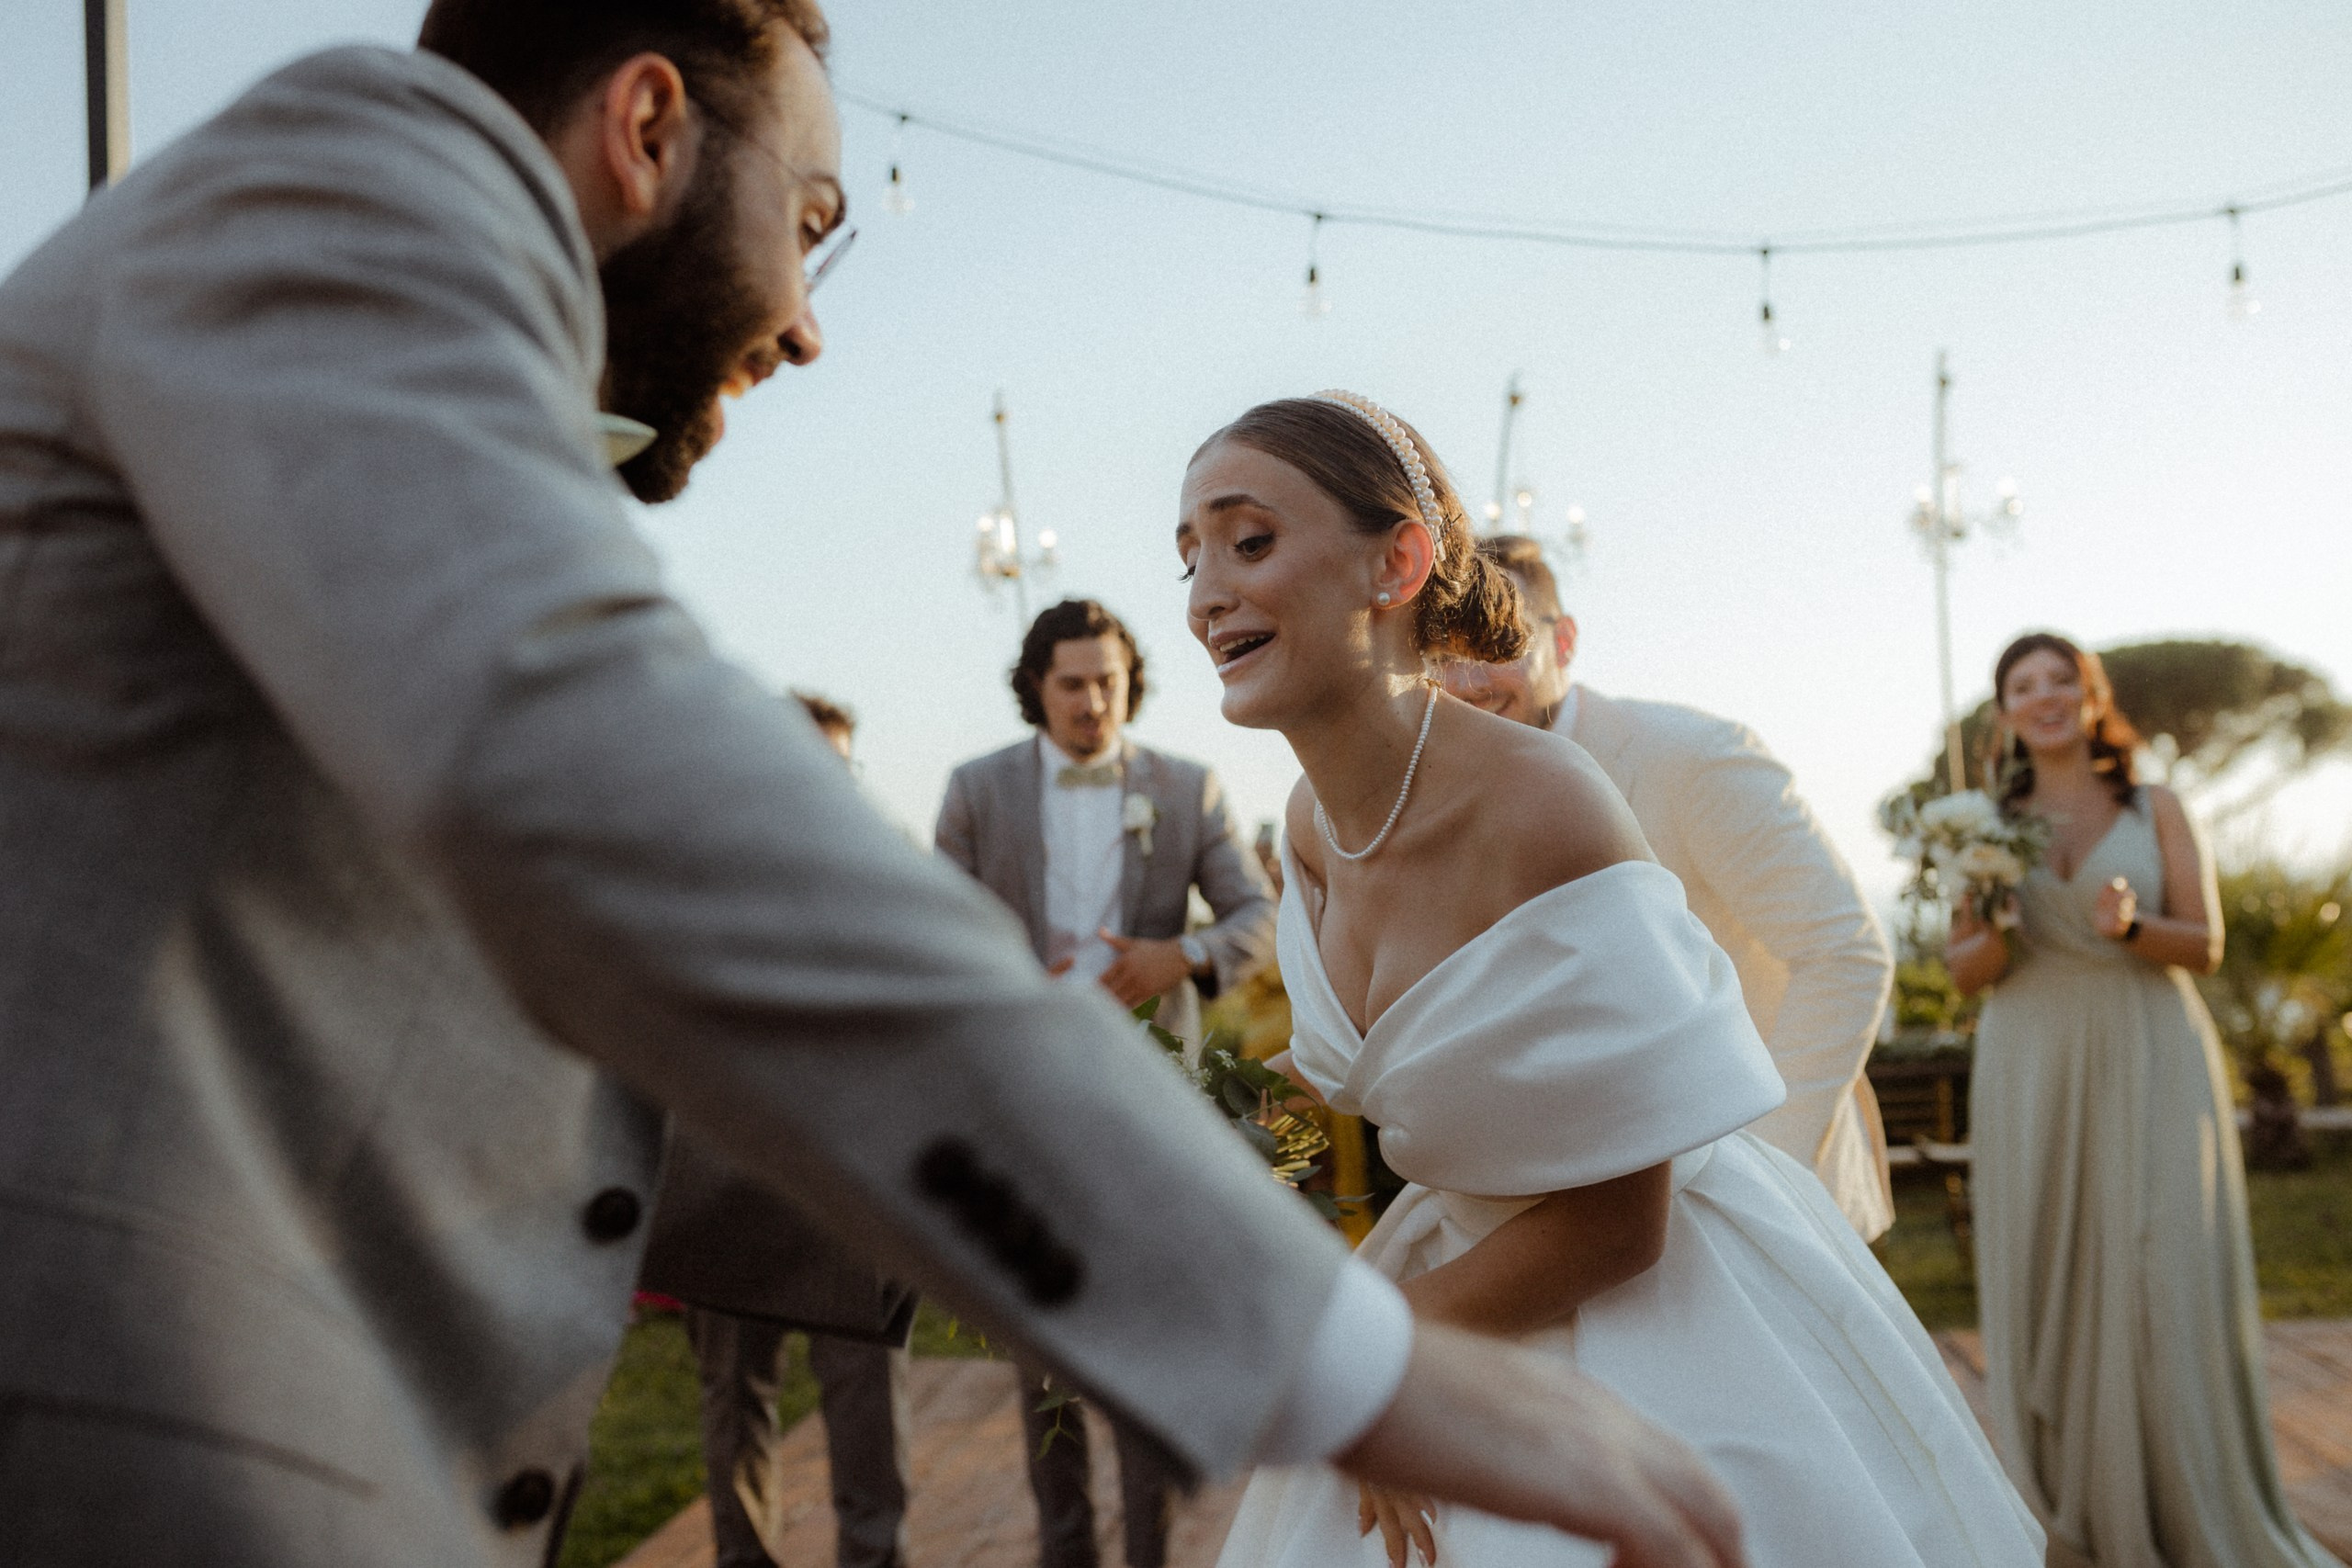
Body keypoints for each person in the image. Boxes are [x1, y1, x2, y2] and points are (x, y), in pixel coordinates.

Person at [0, 4, 1750, 1565]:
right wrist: (1340, 1356)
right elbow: (620, 794)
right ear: (650, 126)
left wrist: (1020, 1235)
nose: (808, 327)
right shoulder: (344, 190)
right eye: (815, 225)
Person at [1181, 391, 2041, 1568]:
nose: (1204, 595)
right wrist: (1166, 1133)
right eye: (1188, 559)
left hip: (1644, 1307)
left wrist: (1370, 1366)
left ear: (1399, 561)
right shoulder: (1310, 827)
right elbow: (1354, 1066)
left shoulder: (1545, 802)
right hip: (1453, 1270)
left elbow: (1619, 1222)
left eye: (1248, 541)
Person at [1945, 634, 2342, 1568]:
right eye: (2022, 687)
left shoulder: (2155, 804)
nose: (2043, 698)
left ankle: (2180, 1496)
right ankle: (2068, 1501)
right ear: (2003, 714)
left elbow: (2200, 947)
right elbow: (1965, 972)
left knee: (2155, 1260)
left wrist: (2132, 926)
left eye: (2060, 682)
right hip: (2032, 1057)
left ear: (2092, 698)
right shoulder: (1983, 827)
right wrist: (1996, 920)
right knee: (2051, 1264)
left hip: (2149, 1048)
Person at [936, 599, 1275, 1568]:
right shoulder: (974, 790)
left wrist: (1185, 954)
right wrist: (1000, 987)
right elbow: (932, 925)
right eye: (1073, 683)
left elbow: (1251, 912)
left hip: (1150, 1096)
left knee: (1142, 1341)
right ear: (1036, 689)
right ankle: (1064, 1551)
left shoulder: (1189, 787)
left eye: (1110, 682)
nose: (1094, 701)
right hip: (1020, 1098)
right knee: (1043, 1341)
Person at [1444, 538, 1894, 1240]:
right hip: (1576, 1204)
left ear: (1561, 640)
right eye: (1442, 653)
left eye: (1495, 644)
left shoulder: (1689, 757)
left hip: (1759, 1195)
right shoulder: (1454, 796)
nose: (1467, 681)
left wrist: (1764, 1174)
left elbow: (1846, 954)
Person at [637, 694, 918, 1568]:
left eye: (843, 766)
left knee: (868, 1408)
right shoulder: (690, 883)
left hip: (854, 1192)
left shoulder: (891, 878)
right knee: (735, 1405)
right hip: (725, 1185)